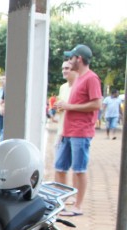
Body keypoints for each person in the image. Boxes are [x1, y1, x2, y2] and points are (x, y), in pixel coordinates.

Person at [54, 44, 103, 217]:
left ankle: (78, 206)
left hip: (81, 132)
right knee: (59, 167)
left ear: (79, 59)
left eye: (71, 58)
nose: (69, 61)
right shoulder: (79, 78)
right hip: (68, 131)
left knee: (79, 169)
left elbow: (97, 104)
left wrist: (70, 106)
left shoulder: (91, 78)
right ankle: (61, 202)